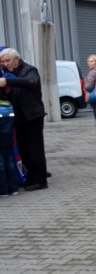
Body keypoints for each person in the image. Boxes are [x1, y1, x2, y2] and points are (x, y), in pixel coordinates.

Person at [0, 47, 48, 190]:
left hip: (32, 115)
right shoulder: (8, 72)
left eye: (8, 61)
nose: (5, 64)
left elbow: (31, 81)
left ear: (17, 59)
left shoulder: (29, 70)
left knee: (35, 148)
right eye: (3, 61)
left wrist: (8, 81)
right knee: (23, 149)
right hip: (18, 116)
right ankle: (30, 177)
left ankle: (41, 180)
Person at [0, 81, 19, 196]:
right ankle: (13, 188)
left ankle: (3, 190)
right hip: (9, 137)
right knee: (10, 162)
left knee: (1, 165)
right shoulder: (9, 105)